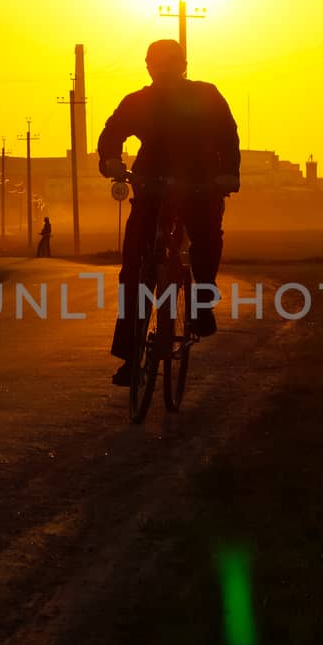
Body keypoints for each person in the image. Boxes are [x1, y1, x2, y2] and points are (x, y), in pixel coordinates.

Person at [98, 38, 240, 385]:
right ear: (148, 67)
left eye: (170, 63)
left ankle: (202, 301)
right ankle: (131, 357)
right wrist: (110, 159)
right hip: (150, 185)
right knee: (133, 267)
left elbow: (227, 135)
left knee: (206, 238)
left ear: (183, 65)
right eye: (157, 64)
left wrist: (228, 173)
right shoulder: (138, 101)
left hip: (200, 184)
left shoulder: (206, 95)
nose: (163, 70)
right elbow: (111, 133)